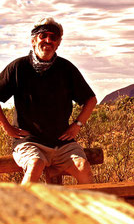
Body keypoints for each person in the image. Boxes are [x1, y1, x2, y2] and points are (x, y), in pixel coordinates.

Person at [0, 17, 97, 185]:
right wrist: (7, 127)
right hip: (29, 142)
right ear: (33, 40)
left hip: (62, 143)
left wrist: (77, 125)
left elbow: (91, 99)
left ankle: (84, 211)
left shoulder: (66, 69)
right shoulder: (18, 68)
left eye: (53, 37)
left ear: (58, 43)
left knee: (83, 167)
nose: (48, 40)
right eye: (42, 35)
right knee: (35, 164)